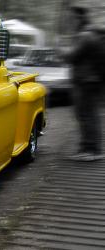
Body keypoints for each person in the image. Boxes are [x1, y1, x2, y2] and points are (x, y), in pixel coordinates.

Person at [61, 4, 105, 162]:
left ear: (79, 17)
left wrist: (62, 51)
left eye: (71, 18)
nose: (69, 21)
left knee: (87, 116)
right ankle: (88, 148)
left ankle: (92, 150)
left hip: (86, 82)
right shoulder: (89, 34)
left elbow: (71, 56)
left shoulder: (85, 35)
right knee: (88, 115)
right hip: (90, 81)